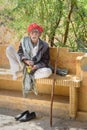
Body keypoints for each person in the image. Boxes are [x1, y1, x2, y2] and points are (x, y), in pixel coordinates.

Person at [6, 23, 52, 97]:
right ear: (29, 34)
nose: (34, 34)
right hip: (23, 64)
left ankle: (23, 73)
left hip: (35, 68)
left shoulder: (45, 45)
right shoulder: (24, 41)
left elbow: (45, 61)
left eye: (36, 32)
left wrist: (36, 66)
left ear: (39, 34)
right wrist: (26, 60)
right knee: (9, 49)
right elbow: (20, 53)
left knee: (48, 72)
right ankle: (19, 71)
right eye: (32, 32)